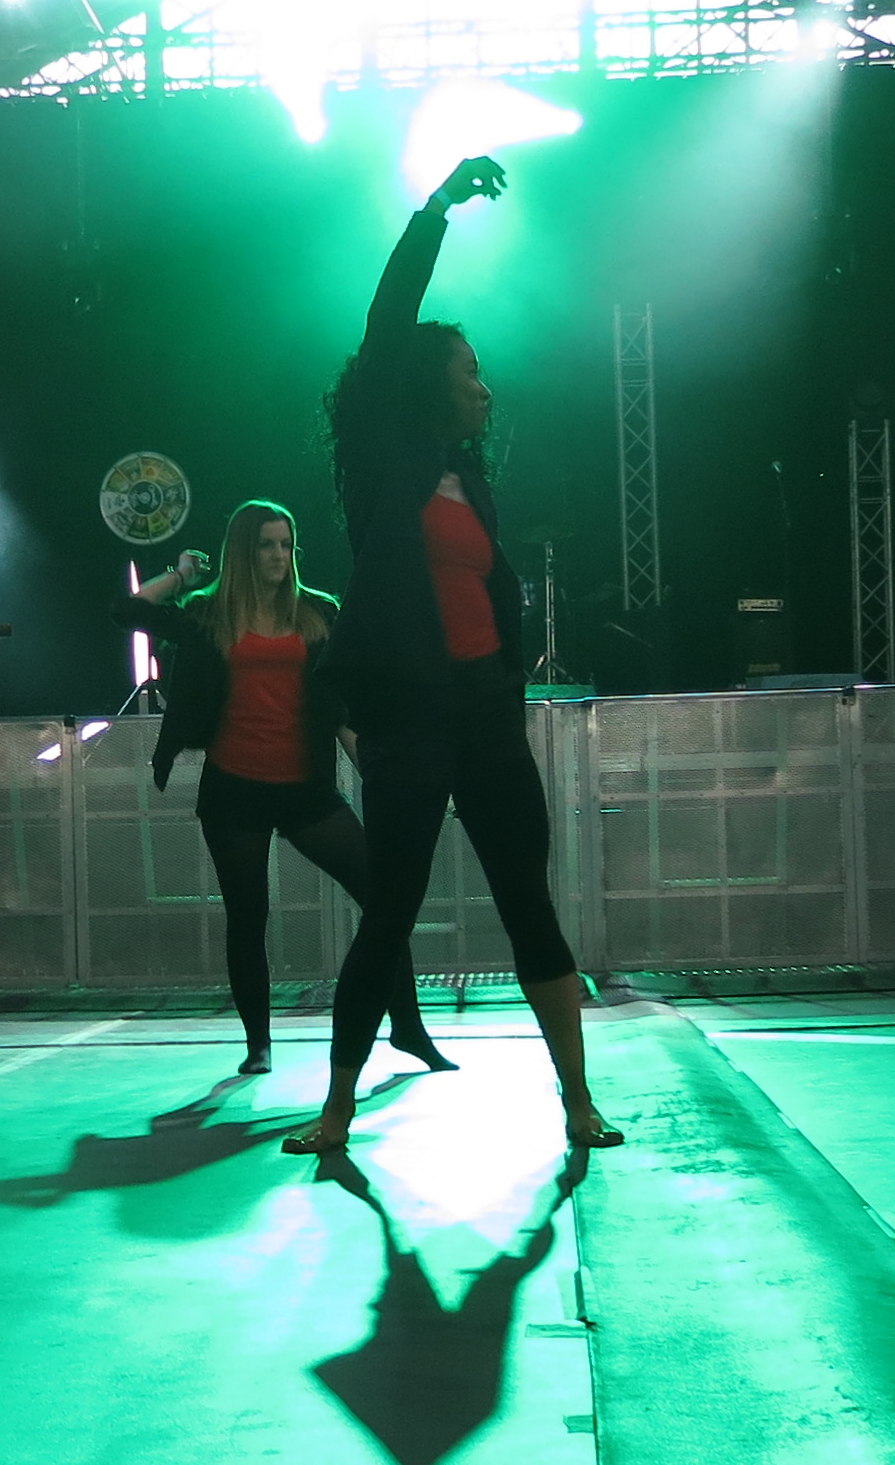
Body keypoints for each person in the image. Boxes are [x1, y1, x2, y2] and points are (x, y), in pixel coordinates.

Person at [284, 155, 619, 1157]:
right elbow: (388, 322)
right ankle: (336, 1110)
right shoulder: (382, 460)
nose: (485, 386)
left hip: (484, 717)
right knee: (389, 912)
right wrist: (436, 209)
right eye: (469, 371)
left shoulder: (468, 482)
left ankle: (578, 1101)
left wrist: (504, 689)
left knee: (529, 906)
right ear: (428, 382)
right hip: (409, 722)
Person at [129, 500, 456, 1077]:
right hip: (234, 789)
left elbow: (340, 709)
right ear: (243, 551)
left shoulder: (318, 613)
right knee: (247, 916)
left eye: (285, 544)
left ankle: (408, 1027)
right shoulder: (208, 614)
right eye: (266, 545)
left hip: (305, 787)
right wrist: (181, 576)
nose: (279, 555)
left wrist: (378, 772)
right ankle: (258, 1044)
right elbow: (127, 610)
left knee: (385, 901)